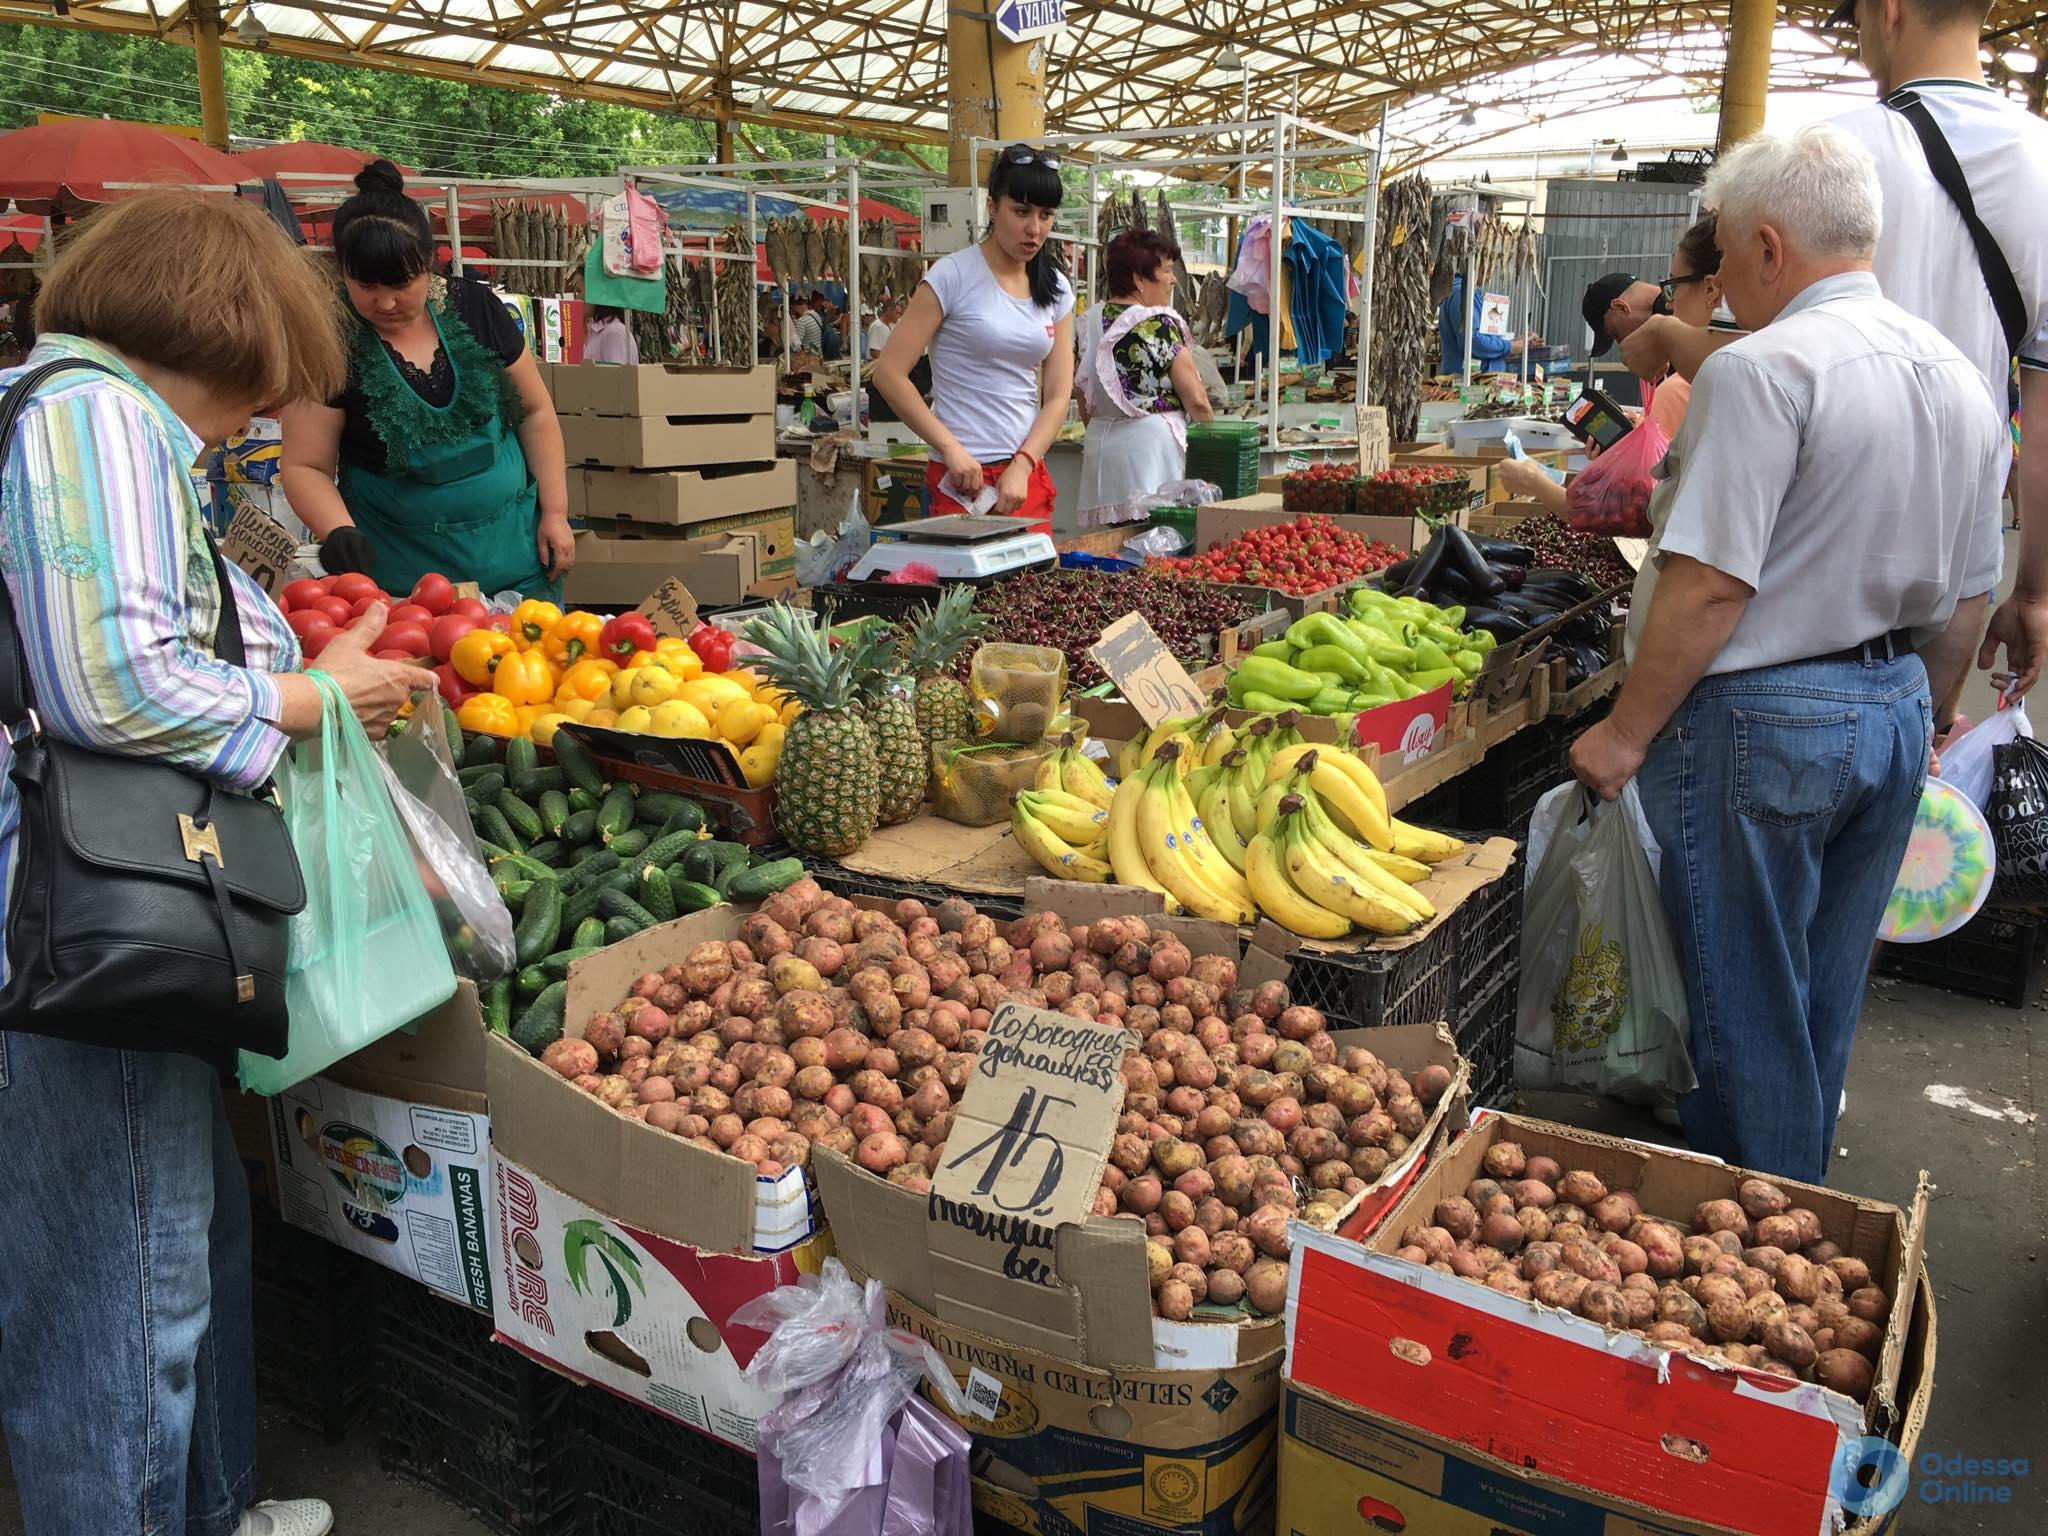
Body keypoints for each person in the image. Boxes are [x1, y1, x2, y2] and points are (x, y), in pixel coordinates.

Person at [0, 191, 437, 1536]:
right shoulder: (97, 416)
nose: (260, 417)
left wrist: (299, 660)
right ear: (229, 327)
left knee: (172, 1242)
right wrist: (312, 704)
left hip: (108, 909)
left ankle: (214, 1509)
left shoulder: (85, 411)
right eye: (263, 381)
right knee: (122, 1294)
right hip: (77, 924)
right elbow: (112, 683)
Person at [1569, 125, 2006, 1181]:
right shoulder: (1957, 376)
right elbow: (1967, 593)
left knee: (1740, 1008)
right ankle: (1800, 1215)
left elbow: (1710, 581)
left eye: (1718, 256)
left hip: (1761, 724)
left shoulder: (1762, 372)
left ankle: (1757, 1250)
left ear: (1767, 243)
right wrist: (1924, 717)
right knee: (1815, 994)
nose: (1714, 283)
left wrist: (1625, 731)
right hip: (1892, 704)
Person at [1827, 0, 2048, 712]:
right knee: (1908, 787)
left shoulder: (1826, 150)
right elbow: (2042, 423)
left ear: (1886, 11)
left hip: (1813, 556)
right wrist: (2035, 592)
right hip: (1960, 557)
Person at [278, 161, 572, 602]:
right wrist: (337, 530)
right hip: (406, 581)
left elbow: (535, 411)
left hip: (515, 556)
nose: (387, 301)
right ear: (343, 274)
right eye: (367, 286)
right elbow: (305, 465)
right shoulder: (327, 339)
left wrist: (555, 511)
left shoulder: (476, 308)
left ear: (428, 264)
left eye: (402, 282)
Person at [872, 145, 1076, 528]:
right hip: (963, 479)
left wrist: (1025, 462)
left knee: (1034, 586)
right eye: (1022, 212)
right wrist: (949, 447)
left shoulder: (1057, 289)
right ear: (992, 207)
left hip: (1024, 478)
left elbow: (1058, 395)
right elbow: (889, 374)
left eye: (1045, 215)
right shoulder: (952, 276)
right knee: (967, 584)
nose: (1035, 229)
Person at [1500, 219, 1724, 510]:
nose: (1669, 305)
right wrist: (1635, 438)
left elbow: (1644, 502)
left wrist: (1536, 483)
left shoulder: (1689, 381)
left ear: (1712, 288)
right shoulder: (1714, 372)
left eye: (1673, 287)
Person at [1075, 228, 1216, 520]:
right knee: (1161, 543)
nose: (1173, 279)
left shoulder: (1086, 324)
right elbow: (1197, 401)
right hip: (1151, 456)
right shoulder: (1157, 325)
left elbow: (1083, 399)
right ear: (1138, 278)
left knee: (1118, 546)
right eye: (1165, 271)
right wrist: (1213, 457)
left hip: (1103, 453)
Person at [1437, 271, 1515, 375]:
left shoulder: (1473, 293)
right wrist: (1508, 347)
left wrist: (1512, 342)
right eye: (1489, 266)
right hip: (1471, 382)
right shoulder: (1462, 294)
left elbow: (1484, 334)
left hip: (1485, 380)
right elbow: (1472, 341)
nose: (1491, 273)